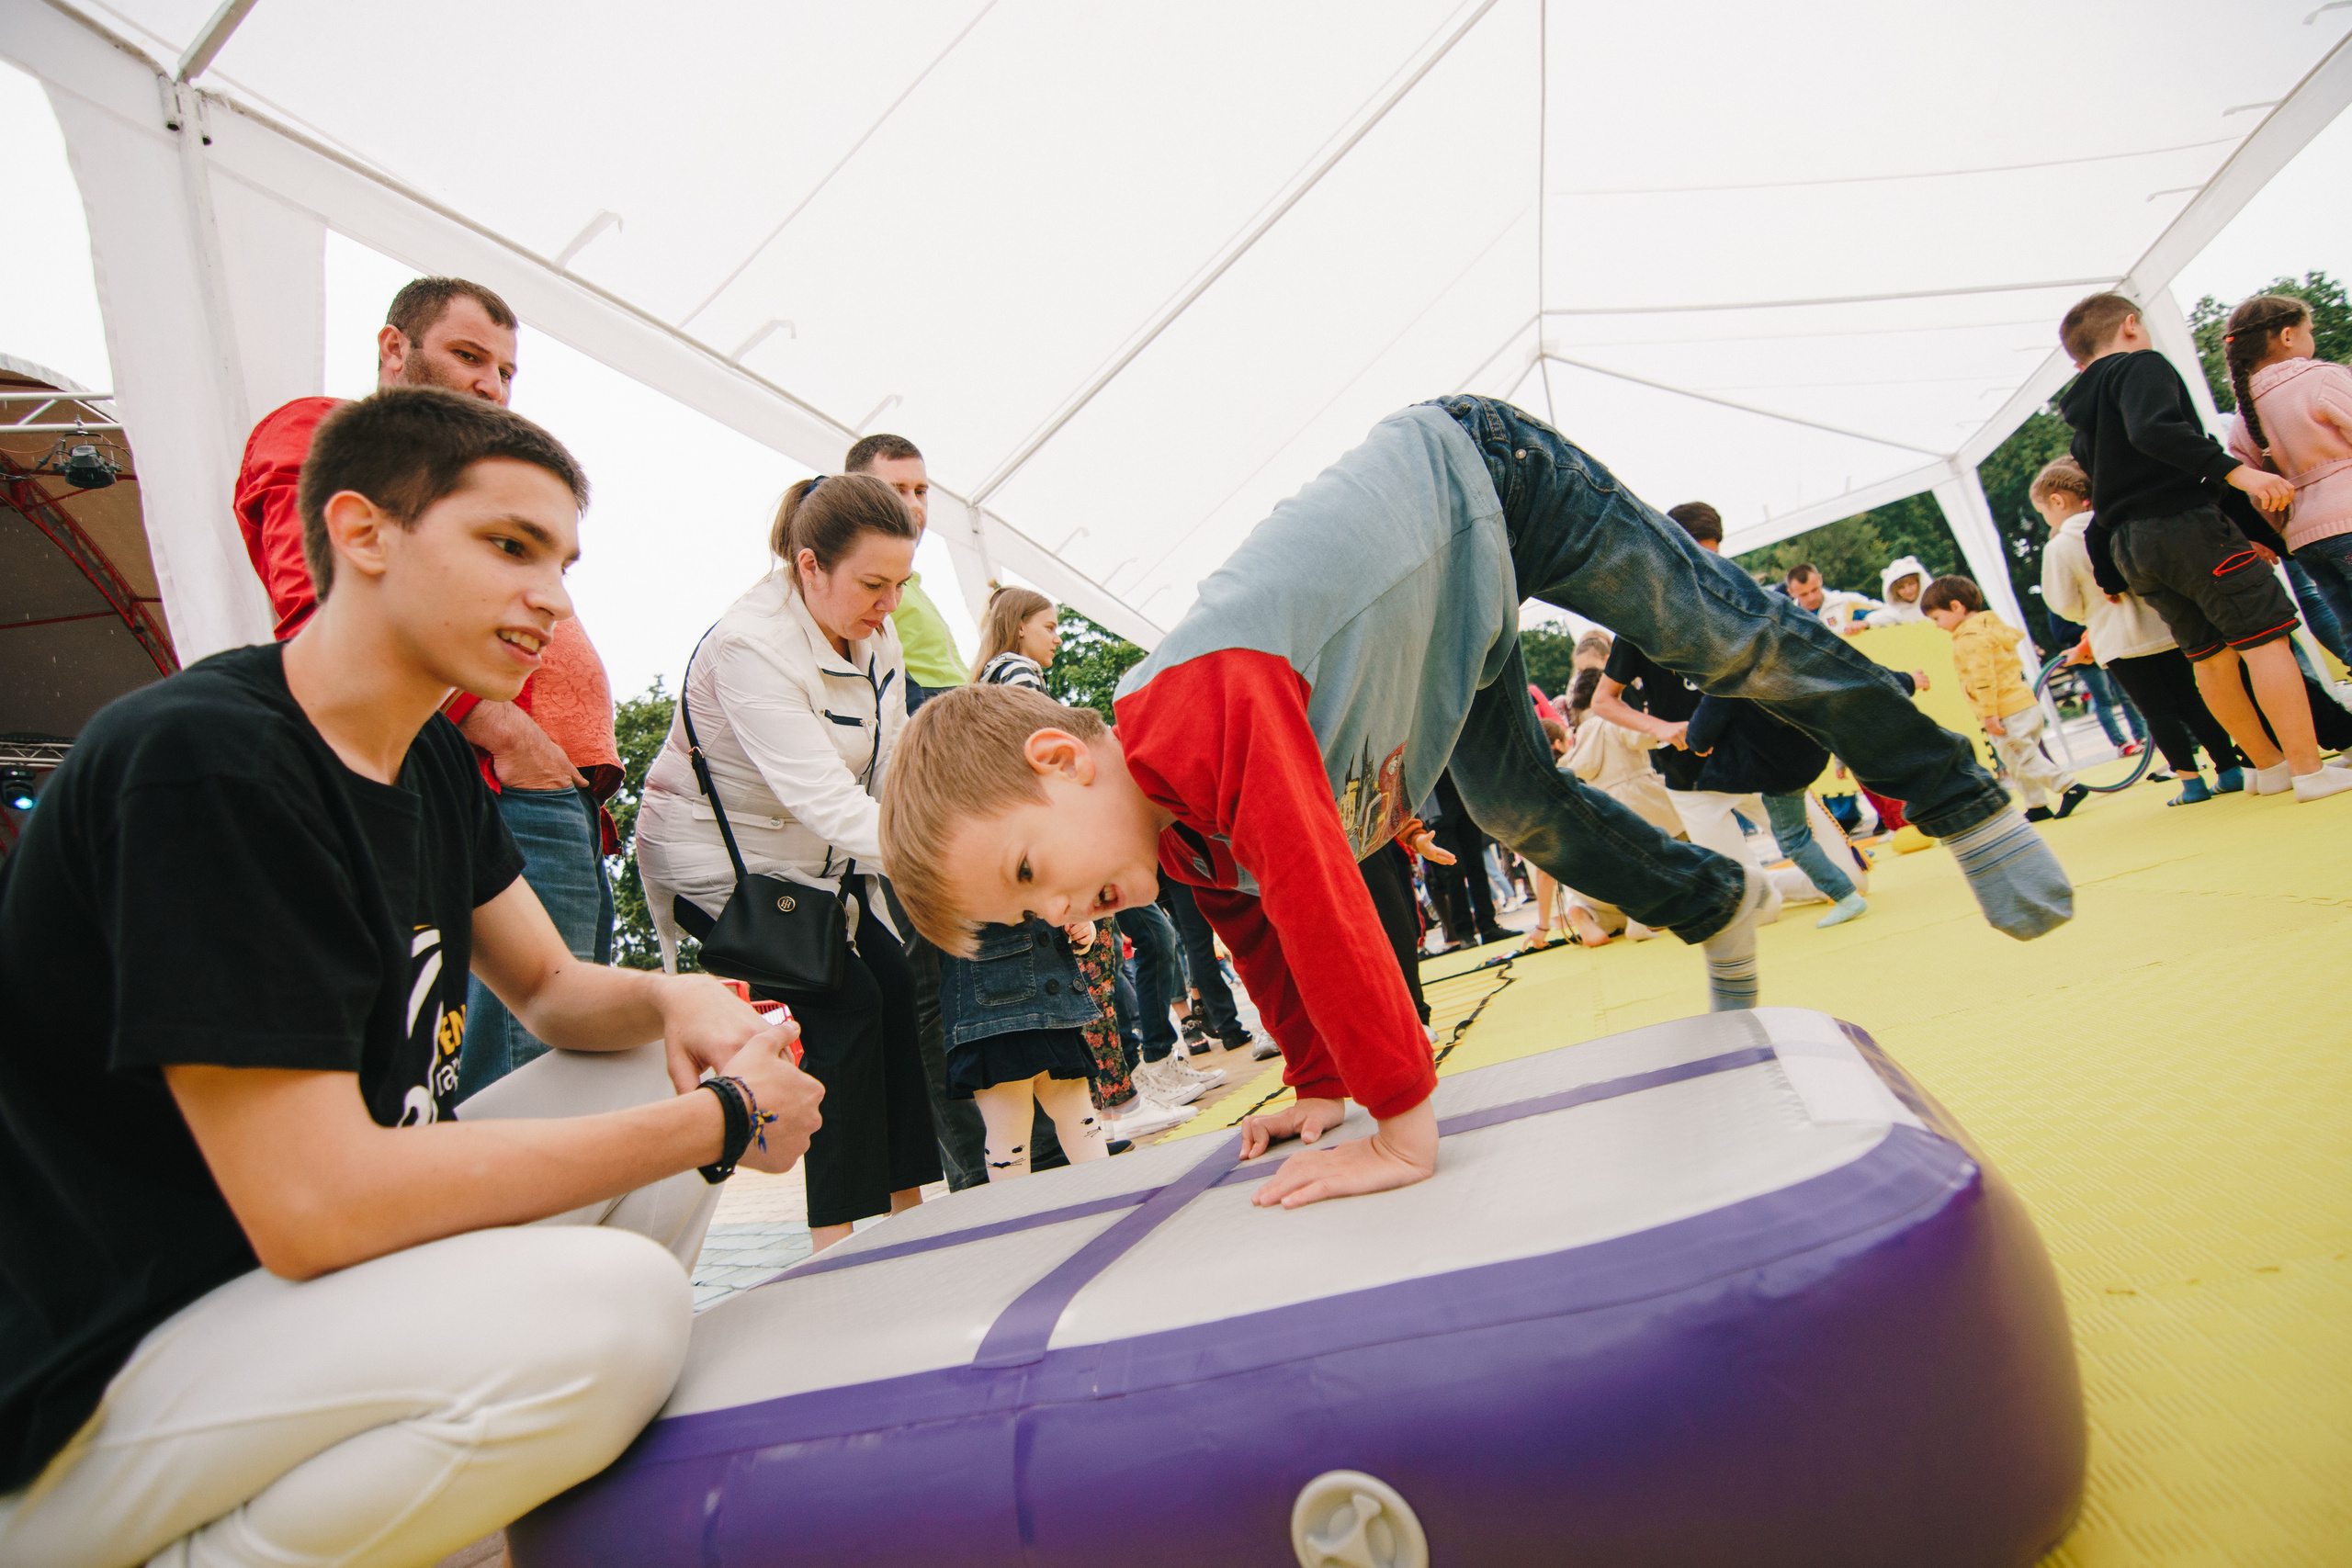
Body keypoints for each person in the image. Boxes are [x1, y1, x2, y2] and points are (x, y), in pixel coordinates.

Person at [0, 388, 824, 1565]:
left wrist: (683, 1001)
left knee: (654, 1062)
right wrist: (724, 1117)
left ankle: (456, 1507)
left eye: (562, 562)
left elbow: (551, 990)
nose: (551, 596)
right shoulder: (205, 762)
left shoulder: (424, 755)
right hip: (91, 1380)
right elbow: (315, 1208)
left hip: (283, 1312)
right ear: (363, 533)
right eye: (508, 545)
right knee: (614, 1312)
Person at [878, 396, 2066, 1211]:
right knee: (1516, 805)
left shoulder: (1196, 710)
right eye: (1030, 916)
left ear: (1064, 759)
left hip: (1486, 480)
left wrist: (1399, 1121)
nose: (1061, 914)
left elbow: (1318, 896)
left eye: (1030, 873)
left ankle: (1962, 798)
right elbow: (1262, 939)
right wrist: (1319, 1085)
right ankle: (1715, 899)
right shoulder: (1178, 839)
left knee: (1724, 637)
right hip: (1449, 624)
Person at [232, 277, 628, 1104]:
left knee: (557, 1067)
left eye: (506, 371)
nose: (491, 384)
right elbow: (322, 605)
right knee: (508, 1085)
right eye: (468, 355)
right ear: (394, 349)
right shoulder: (326, 435)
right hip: (492, 787)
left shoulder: (483, 484)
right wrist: (499, 729)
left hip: (531, 799)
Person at [634, 474, 942, 1253]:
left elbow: (888, 771)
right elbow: (824, 799)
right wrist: (946, 860)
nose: (890, 604)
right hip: (721, 866)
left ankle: (911, 1212)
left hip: (813, 864)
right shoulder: (749, 646)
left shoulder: (878, 635)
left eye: (901, 584)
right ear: (810, 566)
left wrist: (928, 837)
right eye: (873, 584)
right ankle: (834, 1246)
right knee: (843, 1005)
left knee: (895, 985)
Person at [2056, 291, 2352, 804]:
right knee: (2265, 640)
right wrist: (2243, 477)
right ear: (2130, 325)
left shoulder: (2086, 415)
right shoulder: (2141, 365)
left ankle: (2269, 767)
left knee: (2208, 656)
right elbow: (2156, 431)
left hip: (2133, 546)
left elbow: (2102, 497)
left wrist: (2108, 569)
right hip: (2186, 526)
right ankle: (2309, 772)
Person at [964, 585, 1207, 1135]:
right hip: (1071, 852)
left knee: (1116, 960)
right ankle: (1123, 1098)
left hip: (1056, 858)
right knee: (1102, 967)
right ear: (1019, 626)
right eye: (1049, 627)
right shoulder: (1019, 677)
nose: (1056, 638)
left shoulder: (989, 684)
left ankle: (1124, 1094)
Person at [2035, 457, 2245, 806]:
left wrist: (2089, 613)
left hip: (2117, 639)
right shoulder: (2123, 522)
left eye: (2043, 512)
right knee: (2192, 699)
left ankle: (2191, 783)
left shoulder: (2060, 546)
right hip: (2166, 625)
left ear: (2057, 502)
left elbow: (2063, 603)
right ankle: (2229, 768)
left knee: (2156, 712)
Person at [2220, 294, 2352, 679]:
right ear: (2288, 335)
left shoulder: (2244, 416)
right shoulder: (2322, 378)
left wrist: (2286, 531)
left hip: (2306, 540)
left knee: (2348, 626)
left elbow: (2259, 494)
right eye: (2310, 330)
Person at [1683, 696, 1873, 929]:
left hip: (1778, 773)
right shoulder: (1779, 674)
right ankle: (1841, 887)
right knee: (1797, 835)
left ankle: (1844, 896)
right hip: (1808, 758)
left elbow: (1698, 737)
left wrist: (1699, 740)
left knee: (1794, 840)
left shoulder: (1722, 688)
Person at [1922, 575, 2089, 823]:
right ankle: (2036, 805)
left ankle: (2068, 786)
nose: (1937, 625)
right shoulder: (1990, 628)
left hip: (2005, 710)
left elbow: (1984, 679)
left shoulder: (1971, 639)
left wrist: (1989, 714)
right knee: (2016, 760)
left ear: (1956, 606)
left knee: (2022, 759)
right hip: (2023, 703)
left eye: (1936, 618)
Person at [1550, 672, 1677, 948]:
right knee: (1680, 844)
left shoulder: (1583, 731)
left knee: (1632, 863)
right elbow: (1641, 737)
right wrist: (1661, 726)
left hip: (1607, 806)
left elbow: (1572, 766)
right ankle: (1653, 913)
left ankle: (1633, 915)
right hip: (1642, 795)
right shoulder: (1614, 719)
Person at [846, 434, 969, 714]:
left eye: (920, 491)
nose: (914, 504)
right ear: (859, 494)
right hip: (928, 713)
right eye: (898, 489)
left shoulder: (913, 583)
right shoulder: (850, 579)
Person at [1781, 562, 1878, 631]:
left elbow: (1886, 611)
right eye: (1804, 594)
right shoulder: (1787, 620)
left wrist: (1867, 622)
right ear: (1791, 592)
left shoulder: (1847, 601)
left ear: (1820, 580)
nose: (1811, 598)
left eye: (1814, 590)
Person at [1862, 556, 1932, 627]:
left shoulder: (1935, 603)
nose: (1908, 591)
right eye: (1901, 587)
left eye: (1911, 584)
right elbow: (1882, 617)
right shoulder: (1895, 611)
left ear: (1920, 582)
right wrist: (1866, 623)